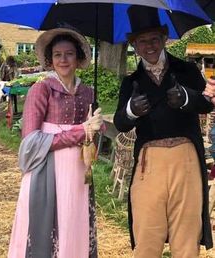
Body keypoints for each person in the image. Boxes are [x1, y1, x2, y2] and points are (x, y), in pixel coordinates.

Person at [113, 5, 214, 258]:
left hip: (186, 158)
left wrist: (186, 98)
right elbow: (121, 123)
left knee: (186, 234)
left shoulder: (186, 70)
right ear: (134, 44)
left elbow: (206, 103)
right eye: (142, 41)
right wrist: (131, 110)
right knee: (147, 233)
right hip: (150, 163)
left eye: (154, 39)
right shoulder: (131, 81)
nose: (149, 46)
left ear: (164, 38)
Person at [8, 26, 103, 258]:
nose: (63, 59)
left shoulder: (88, 93)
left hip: (79, 169)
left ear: (79, 57)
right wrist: (81, 131)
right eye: (58, 54)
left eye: (69, 53)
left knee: (74, 217)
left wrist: (96, 130)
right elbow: (30, 143)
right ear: (50, 60)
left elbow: (92, 136)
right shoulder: (41, 90)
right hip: (47, 169)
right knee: (48, 221)